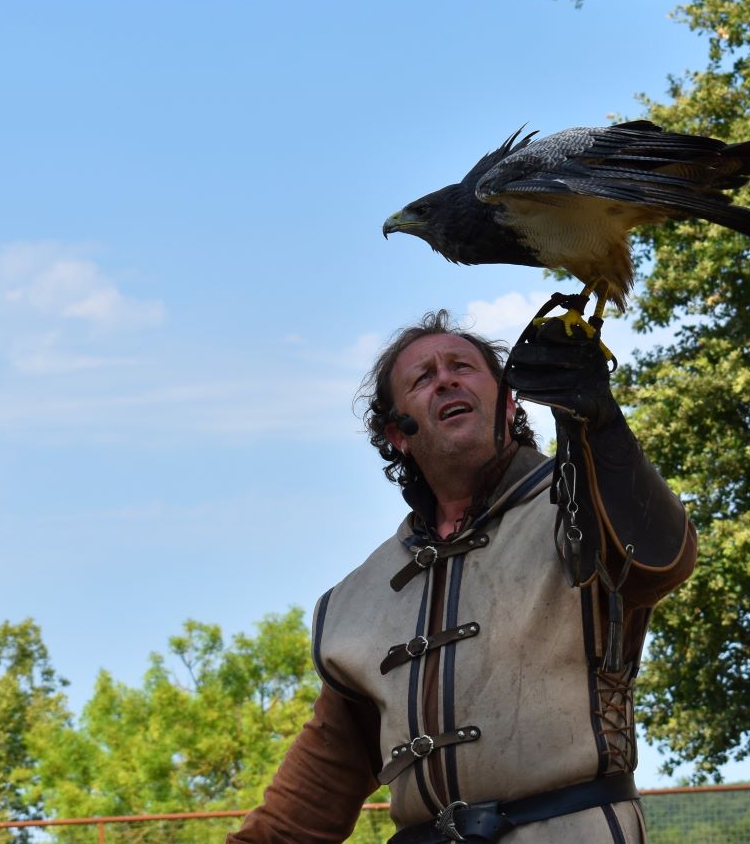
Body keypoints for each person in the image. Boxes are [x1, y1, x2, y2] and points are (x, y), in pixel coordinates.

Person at [229, 305, 697, 844]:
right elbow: (314, 791)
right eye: (422, 378)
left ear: (509, 402)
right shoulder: (360, 600)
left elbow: (663, 562)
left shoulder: (583, 508)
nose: (446, 378)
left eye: (463, 367)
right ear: (397, 433)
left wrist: (604, 426)